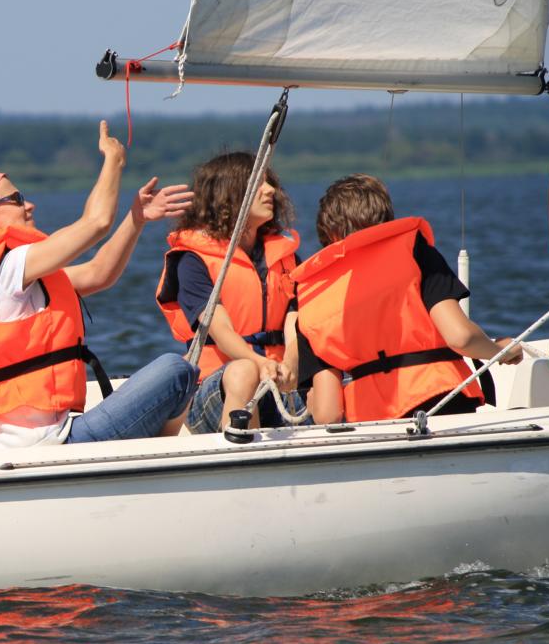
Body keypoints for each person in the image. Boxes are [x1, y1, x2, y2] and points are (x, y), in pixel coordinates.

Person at [0, 120, 197, 451]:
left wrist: (135, 219)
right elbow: (95, 223)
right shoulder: (12, 265)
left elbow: (99, 273)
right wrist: (113, 161)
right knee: (178, 371)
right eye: (16, 198)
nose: (30, 205)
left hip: (0, 444)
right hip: (45, 444)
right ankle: (154, 470)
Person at [291, 173, 522, 424]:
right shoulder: (413, 251)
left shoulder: (311, 294)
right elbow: (460, 336)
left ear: (328, 233)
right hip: (441, 398)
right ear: (384, 218)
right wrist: (501, 351)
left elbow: (329, 413)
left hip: (371, 421)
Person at [155, 151, 302, 433]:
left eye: (269, 182)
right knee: (243, 372)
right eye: (259, 183)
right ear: (230, 194)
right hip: (215, 387)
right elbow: (221, 333)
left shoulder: (284, 255)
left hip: (277, 379)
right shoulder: (193, 260)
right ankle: (241, 464)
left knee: (324, 381)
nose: (271, 190)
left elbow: (294, 319)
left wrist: (290, 364)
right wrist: (261, 364)